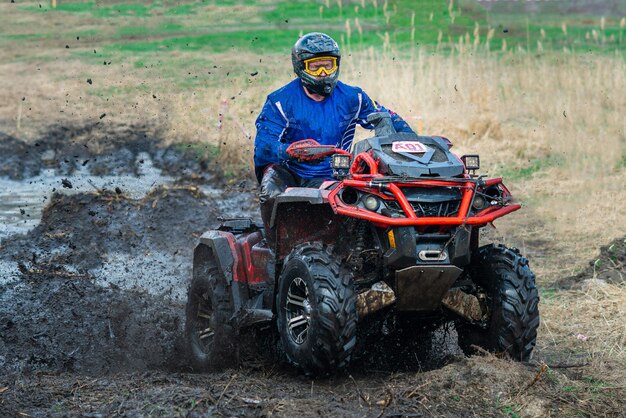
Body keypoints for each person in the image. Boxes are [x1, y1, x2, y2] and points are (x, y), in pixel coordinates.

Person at [254, 32, 414, 245]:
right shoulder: (280, 101)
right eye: (315, 67)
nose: (322, 73)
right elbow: (263, 146)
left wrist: (411, 141)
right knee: (270, 187)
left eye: (327, 66)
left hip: (337, 173)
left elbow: (387, 117)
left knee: (375, 198)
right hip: (292, 172)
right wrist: (289, 151)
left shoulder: (353, 97)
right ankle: (276, 247)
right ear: (300, 67)